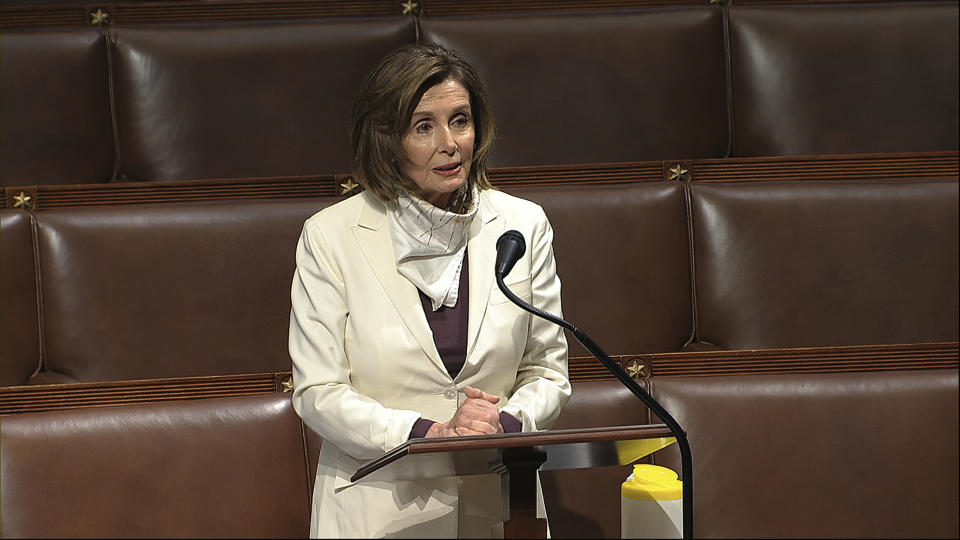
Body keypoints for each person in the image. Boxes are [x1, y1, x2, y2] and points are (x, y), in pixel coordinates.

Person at [288, 43, 571, 538]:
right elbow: (318, 392)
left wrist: (502, 425)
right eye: (424, 126)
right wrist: (427, 435)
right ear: (386, 139)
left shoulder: (522, 225)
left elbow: (548, 371)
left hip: (501, 506)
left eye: (460, 120)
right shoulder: (330, 236)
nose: (450, 143)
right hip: (378, 512)